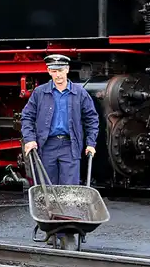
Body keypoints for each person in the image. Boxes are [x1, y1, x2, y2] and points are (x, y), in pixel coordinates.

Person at [20, 54, 99, 185]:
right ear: (49, 71)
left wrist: (91, 143)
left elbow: (92, 119)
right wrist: (30, 139)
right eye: (54, 71)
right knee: (46, 189)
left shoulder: (80, 93)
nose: (58, 75)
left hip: (70, 146)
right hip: (46, 146)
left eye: (61, 70)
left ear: (67, 69)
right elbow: (27, 117)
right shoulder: (39, 93)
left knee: (70, 190)